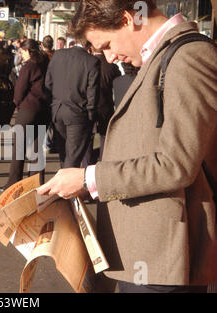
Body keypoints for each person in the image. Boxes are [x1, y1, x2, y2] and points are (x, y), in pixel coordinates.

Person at [38, 0, 216, 293]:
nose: (108, 58)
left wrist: (89, 178)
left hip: (162, 258)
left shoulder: (189, 57)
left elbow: (176, 164)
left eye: (107, 44)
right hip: (146, 253)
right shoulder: (165, 58)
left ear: (126, 19)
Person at [0, 39, 50, 190]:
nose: (21, 54)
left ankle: (13, 182)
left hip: (28, 109)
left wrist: (18, 103)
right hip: (44, 109)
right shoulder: (46, 63)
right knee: (37, 148)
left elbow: (19, 90)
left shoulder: (28, 66)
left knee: (19, 147)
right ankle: (36, 182)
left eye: (22, 51)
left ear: (28, 51)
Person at [45, 38, 100, 169]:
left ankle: (63, 183)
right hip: (78, 113)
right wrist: (91, 116)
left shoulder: (58, 55)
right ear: (89, 43)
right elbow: (92, 93)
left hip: (57, 111)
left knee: (64, 154)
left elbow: (48, 83)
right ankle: (65, 187)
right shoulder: (92, 61)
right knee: (73, 156)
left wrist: (52, 105)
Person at [83, 44, 121, 166]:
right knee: (105, 138)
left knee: (88, 139)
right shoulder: (112, 67)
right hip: (107, 106)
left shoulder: (86, 65)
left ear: (91, 49)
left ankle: (86, 167)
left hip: (89, 106)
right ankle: (103, 164)